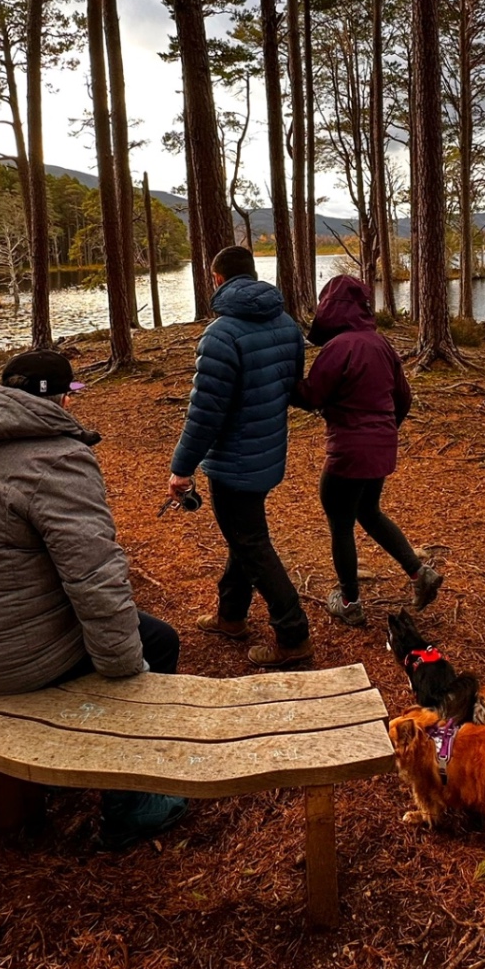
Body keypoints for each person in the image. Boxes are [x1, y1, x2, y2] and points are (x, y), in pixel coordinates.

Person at [0, 350, 186, 850]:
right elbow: (95, 577)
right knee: (157, 643)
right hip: (5, 658)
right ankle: (129, 806)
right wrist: (129, 672)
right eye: (71, 393)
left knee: (125, 631)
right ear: (59, 397)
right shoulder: (57, 459)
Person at [167, 245, 312, 667]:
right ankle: (231, 616)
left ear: (217, 279)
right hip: (267, 454)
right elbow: (291, 384)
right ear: (252, 273)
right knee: (243, 538)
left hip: (234, 462)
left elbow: (205, 413)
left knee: (251, 542)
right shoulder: (286, 324)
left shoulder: (221, 334)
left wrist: (181, 468)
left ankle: (293, 633)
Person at [293, 273, 443, 628]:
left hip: (348, 450)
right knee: (369, 512)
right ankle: (418, 572)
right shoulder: (381, 344)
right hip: (380, 448)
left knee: (340, 522)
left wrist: (285, 384)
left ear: (329, 306)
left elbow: (312, 395)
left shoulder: (339, 347)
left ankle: (349, 601)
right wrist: (385, 430)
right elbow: (402, 398)